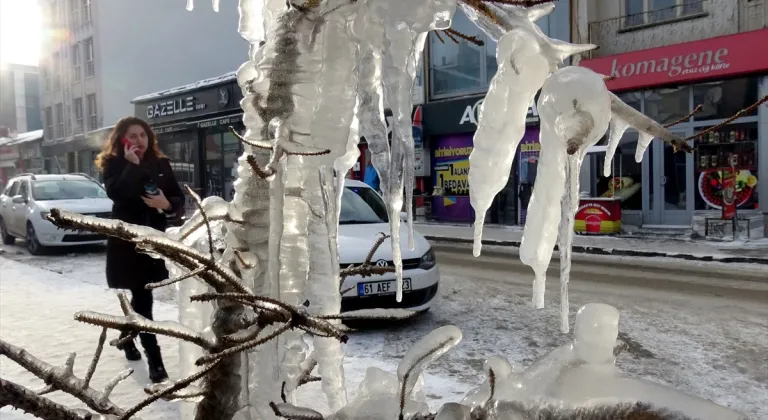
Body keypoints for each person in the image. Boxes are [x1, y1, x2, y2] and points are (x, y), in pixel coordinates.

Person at [94, 116, 185, 383]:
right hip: (126, 241)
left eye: (143, 135)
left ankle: (126, 337)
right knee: (143, 298)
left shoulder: (161, 164)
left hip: (152, 241)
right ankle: (155, 362)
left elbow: (177, 199)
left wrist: (166, 203)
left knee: (141, 295)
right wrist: (132, 167)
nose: (138, 140)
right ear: (122, 139)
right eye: (132, 136)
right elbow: (117, 194)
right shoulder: (112, 165)